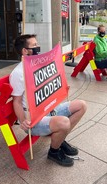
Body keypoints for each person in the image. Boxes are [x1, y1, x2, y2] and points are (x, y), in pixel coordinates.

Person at [10, 34, 87, 167]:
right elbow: (16, 101)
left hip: (48, 110)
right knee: (64, 123)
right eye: (34, 45)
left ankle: (60, 139)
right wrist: (23, 121)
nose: (38, 47)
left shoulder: (39, 64)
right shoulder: (18, 73)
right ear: (24, 51)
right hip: (34, 119)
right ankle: (54, 152)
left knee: (81, 105)